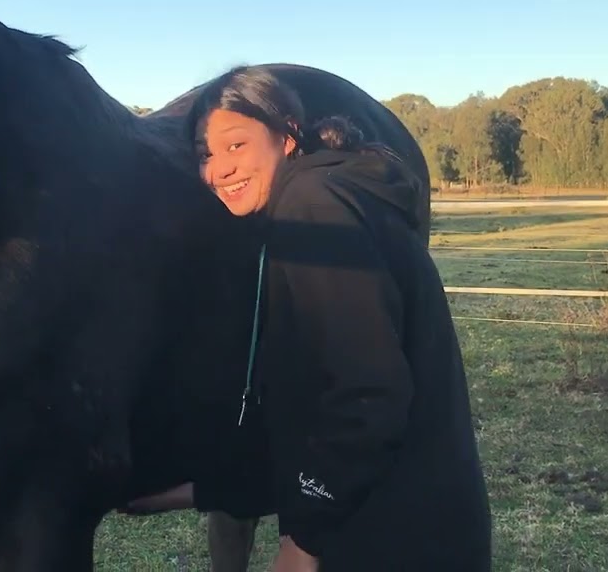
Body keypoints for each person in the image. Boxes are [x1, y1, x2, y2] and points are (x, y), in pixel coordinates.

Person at [122, 66, 492, 570]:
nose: (219, 169)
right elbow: (305, 418)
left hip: (391, 536)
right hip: (412, 518)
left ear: (287, 135)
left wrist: (304, 542)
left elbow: (367, 396)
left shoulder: (313, 207)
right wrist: (191, 490)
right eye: (206, 154)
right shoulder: (328, 196)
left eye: (236, 145)